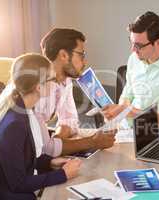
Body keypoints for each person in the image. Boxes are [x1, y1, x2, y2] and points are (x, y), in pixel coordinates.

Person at [0, 54, 82, 200]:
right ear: (39, 87)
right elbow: (18, 183)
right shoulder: (14, 124)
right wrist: (62, 175)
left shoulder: (26, 109)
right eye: (52, 80)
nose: (56, 84)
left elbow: (23, 158)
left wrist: (50, 162)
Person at [102, 11, 159, 132]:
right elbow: (127, 96)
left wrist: (128, 112)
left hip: (156, 136)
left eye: (138, 45)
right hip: (126, 131)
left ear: (158, 43)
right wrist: (119, 111)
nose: (133, 50)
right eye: (131, 42)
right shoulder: (134, 59)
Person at [36, 28, 116, 157]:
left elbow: (69, 120)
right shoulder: (38, 90)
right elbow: (46, 150)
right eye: (81, 55)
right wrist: (92, 142)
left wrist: (58, 139)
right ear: (63, 55)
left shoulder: (65, 81)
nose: (85, 62)